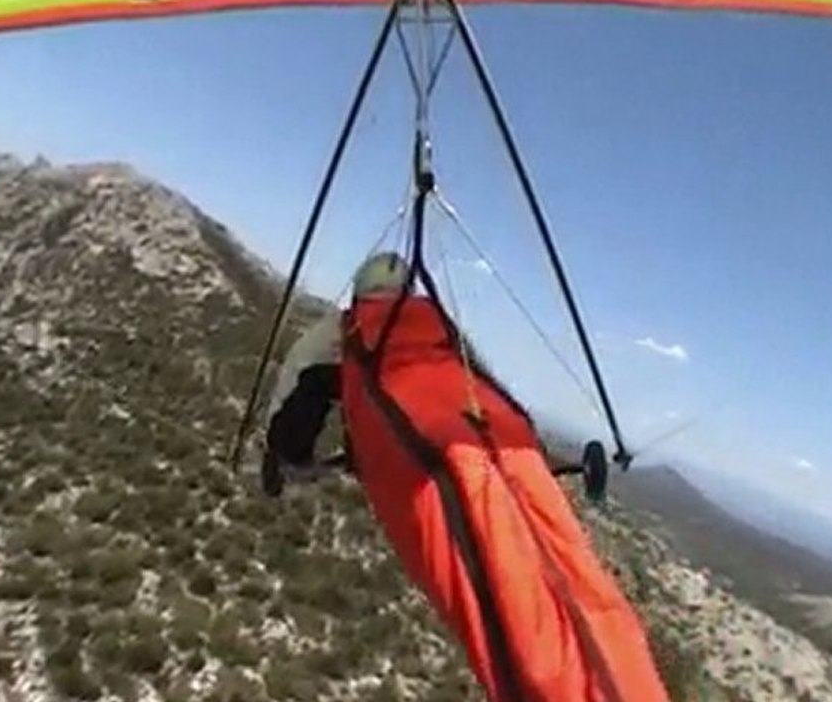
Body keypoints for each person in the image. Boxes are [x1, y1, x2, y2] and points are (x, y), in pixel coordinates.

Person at [263, 251, 670, 702]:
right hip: (496, 438)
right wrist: (538, 454)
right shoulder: (437, 324)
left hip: (432, 455)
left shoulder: (344, 329)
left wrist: (282, 455)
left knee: (511, 615)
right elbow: (485, 385)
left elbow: (296, 382)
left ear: (361, 293)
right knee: (579, 587)